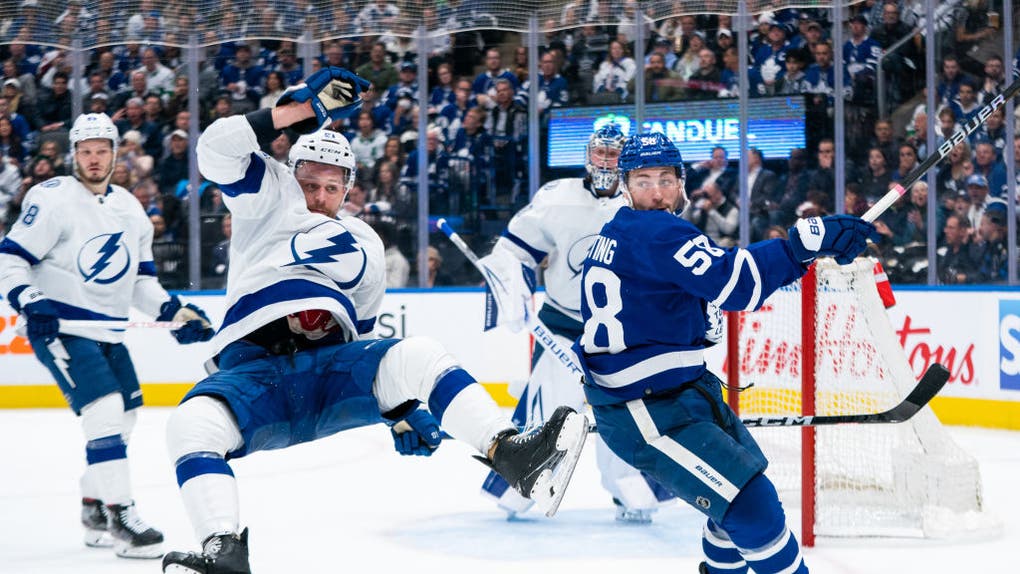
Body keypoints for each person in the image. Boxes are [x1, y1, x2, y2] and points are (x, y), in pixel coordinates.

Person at [160, 67, 588, 574]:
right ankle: (223, 549)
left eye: (331, 186)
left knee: (418, 356)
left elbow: (362, 340)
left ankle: (513, 453)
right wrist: (296, 111)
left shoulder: (365, 241)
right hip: (253, 376)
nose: (319, 196)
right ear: (289, 173)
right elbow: (213, 149)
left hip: (327, 375)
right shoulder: (266, 196)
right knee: (191, 423)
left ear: (348, 189)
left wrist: (401, 411)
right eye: (309, 183)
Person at [575, 132, 875, 574]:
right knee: (752, 508)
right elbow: (737, 286)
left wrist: (695, 318)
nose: (656, 193)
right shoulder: (659, 231)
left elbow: (651, 302)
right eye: (643, 181)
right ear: (625, 186)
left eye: (664, 180)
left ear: (681, 182)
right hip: (647, 410)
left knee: (732, 509)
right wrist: (801, 245)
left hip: (676, 394)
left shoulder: (616, 230)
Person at [0, 112, 216, 559]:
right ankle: (122, 515)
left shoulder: (130, 209)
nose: (94, 159)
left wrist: (173, 312)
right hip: (61, 327)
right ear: (73, 154)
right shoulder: (52, 198)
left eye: (101, 150)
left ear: (116, 154)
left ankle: (94, 506)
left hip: (108, 331)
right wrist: (31, 300)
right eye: (85, 151)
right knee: (104, 410)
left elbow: (140, 282)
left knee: (127, 416)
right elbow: (10, 259)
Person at [476, 123, 675, 522]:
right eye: (601, 152)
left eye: (614, 154)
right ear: (588, 155)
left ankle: (632, 489)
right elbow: (512, 250)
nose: (606, 161)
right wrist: (514, 287)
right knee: (547, 410)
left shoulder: (640, 200)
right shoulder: (556, 197)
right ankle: (521, 486)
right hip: (562, 323)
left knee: (626, 411)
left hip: (622, 331)